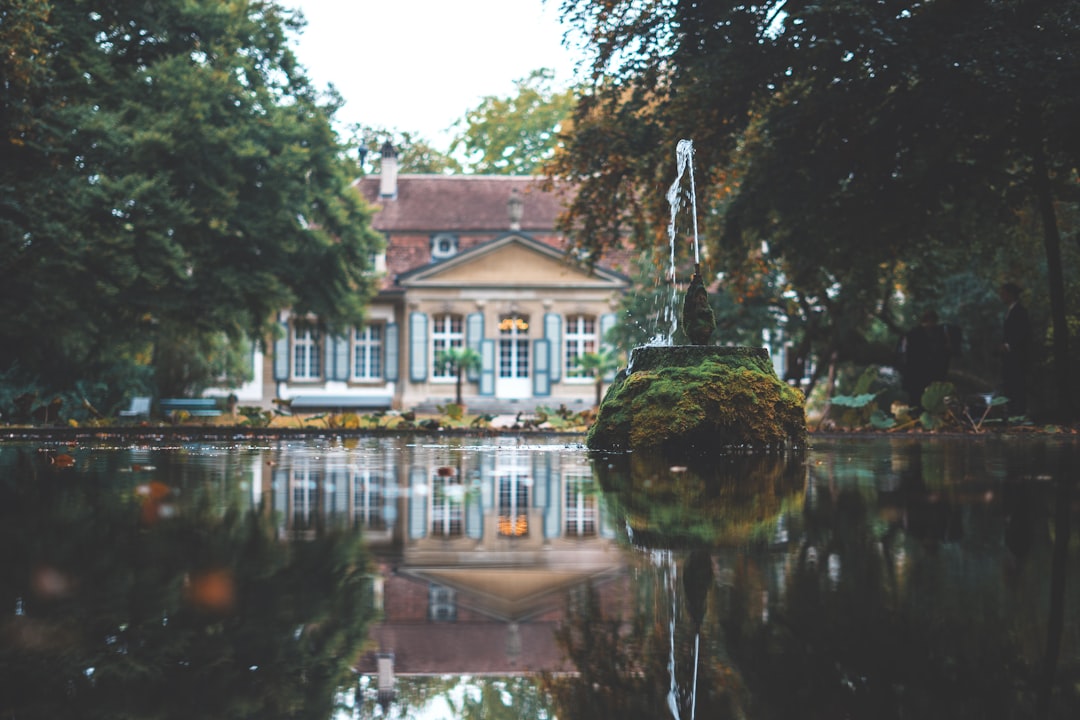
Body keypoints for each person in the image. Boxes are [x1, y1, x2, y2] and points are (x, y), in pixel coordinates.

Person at [897, 310, 951, 409]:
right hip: (917, 375)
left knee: (924, 403)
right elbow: (904, 354)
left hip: (928, 375)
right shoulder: (914, 333)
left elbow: (945, 353)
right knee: (917, 402)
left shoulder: (939, 333)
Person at [999, 282, 1030, 416]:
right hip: (1010, 356)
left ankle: (1018, 414)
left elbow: (1023, 333)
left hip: (1018, 356)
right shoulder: (1011, 311)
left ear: (1011, 294)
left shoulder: (1020, 311)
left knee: (1017, 385)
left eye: (1004, 294)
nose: (1002, 296)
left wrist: (1008, 345)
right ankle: (1012, 413)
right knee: (1010, 384)